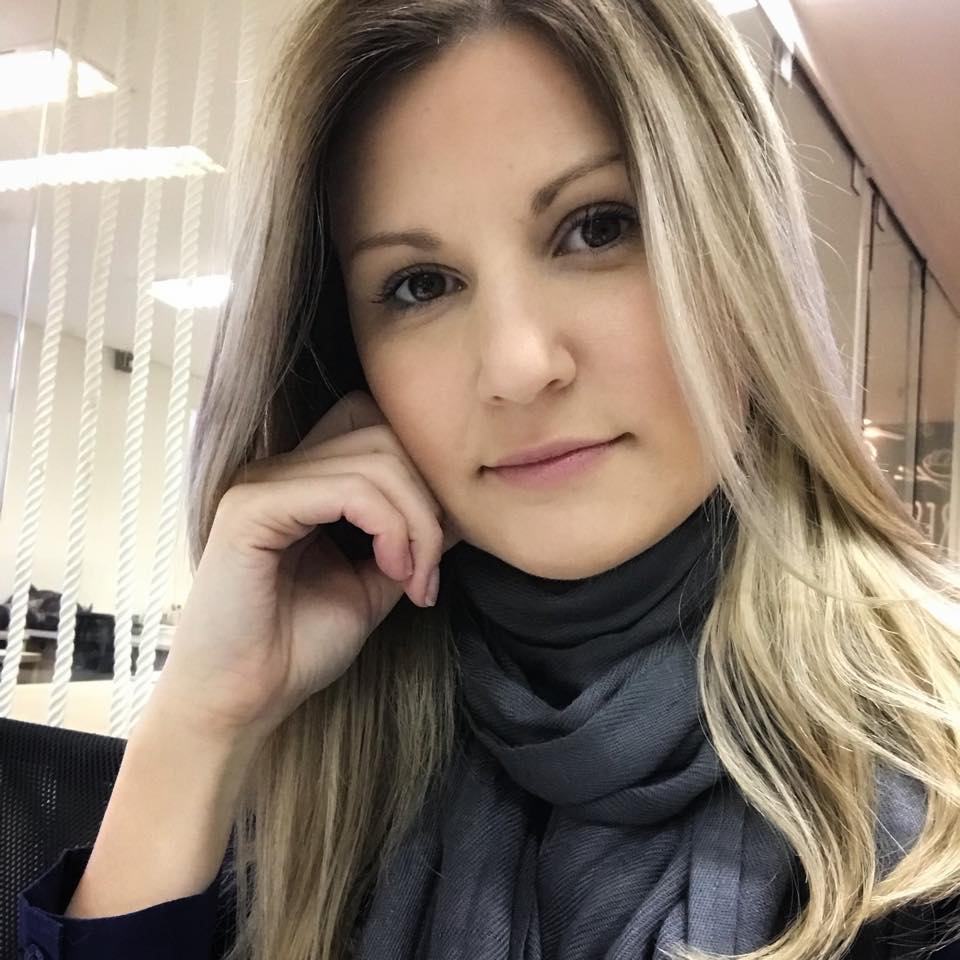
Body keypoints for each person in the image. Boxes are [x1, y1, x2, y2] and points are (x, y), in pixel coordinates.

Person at [17, 0, 960, 958]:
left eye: (598, 228)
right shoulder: (329, 763)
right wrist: (201, 722)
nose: (517, 365)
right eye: (420, 285)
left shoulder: (931, 795)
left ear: (737, 255)